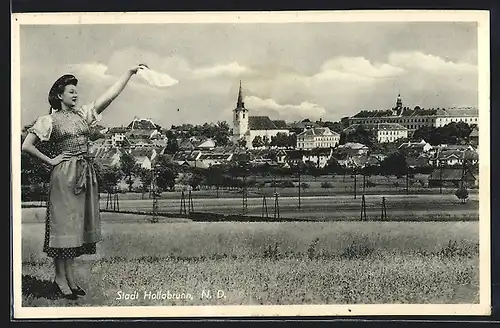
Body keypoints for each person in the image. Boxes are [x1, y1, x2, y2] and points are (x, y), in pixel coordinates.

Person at [21, 64, 146, 300]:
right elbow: (26, 145)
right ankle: (59, 278)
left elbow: (110, 96)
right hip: (63, 175)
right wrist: (51, 160)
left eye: (76, 91)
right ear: (59, 96)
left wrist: (128, 73)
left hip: (83, 174)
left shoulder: (82, 115)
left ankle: (68, 278)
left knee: (75, 229)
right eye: (71, 91)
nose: (76, 94)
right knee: (63, 227)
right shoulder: (48, 120)